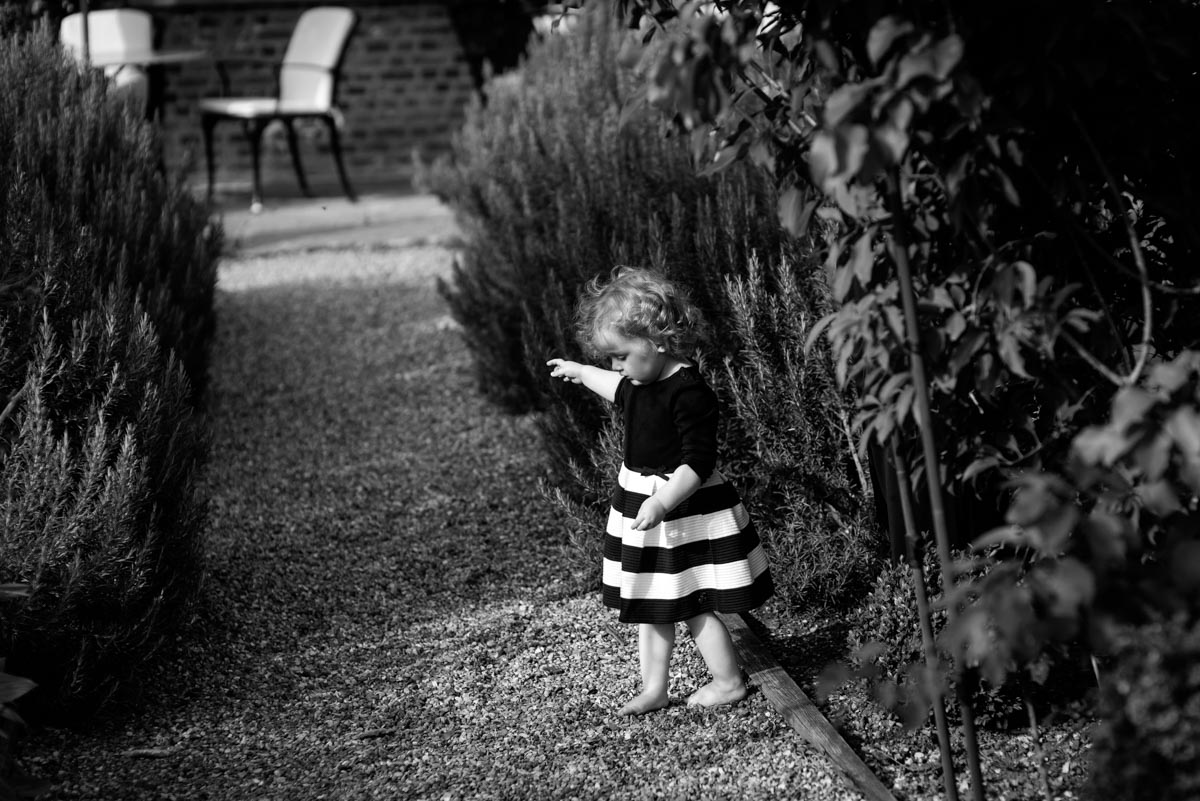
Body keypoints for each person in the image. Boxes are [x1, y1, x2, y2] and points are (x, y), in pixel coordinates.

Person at [547, 267, 774, 716]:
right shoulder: (637, 381)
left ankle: (728, 681)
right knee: (650, 602)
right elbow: (615, 387)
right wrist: (581, 371)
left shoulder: (688, 392)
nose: (616, 367)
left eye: (620, 355)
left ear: (660, 340)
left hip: (683, 510)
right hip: (645, 502)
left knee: (692, 603)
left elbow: (698, 463)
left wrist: (662, 501)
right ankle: (654, 687)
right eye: (609, 358)